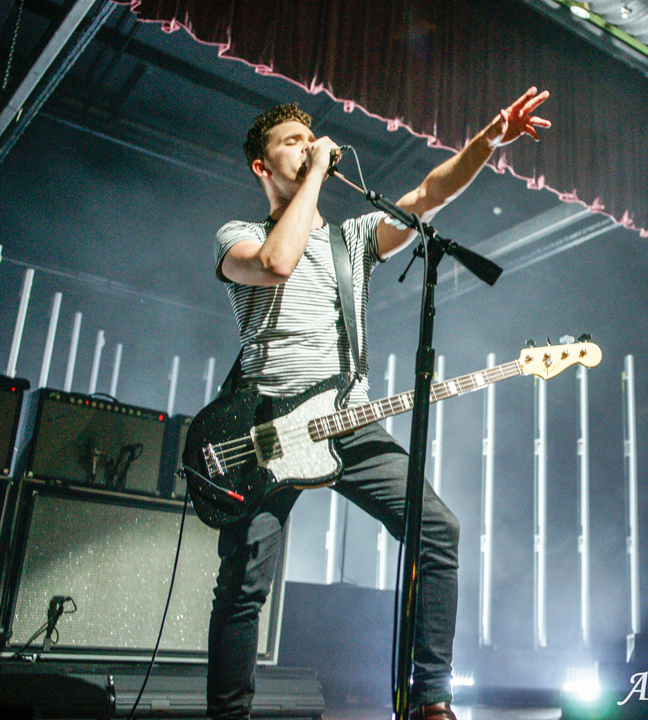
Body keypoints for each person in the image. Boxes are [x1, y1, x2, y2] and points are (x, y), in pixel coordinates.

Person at [207, 88, 551, 720]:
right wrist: (316, 172)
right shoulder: (237, 236)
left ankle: (431, 700)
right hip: (266, 430)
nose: (307, 147)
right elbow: (278, 263)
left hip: (346, 421)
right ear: (261, 166)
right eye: (291, 143)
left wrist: (487, 142)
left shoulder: (352, 240)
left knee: (438, 530)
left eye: (310, 139)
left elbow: (429, 193)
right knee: (244, 586)